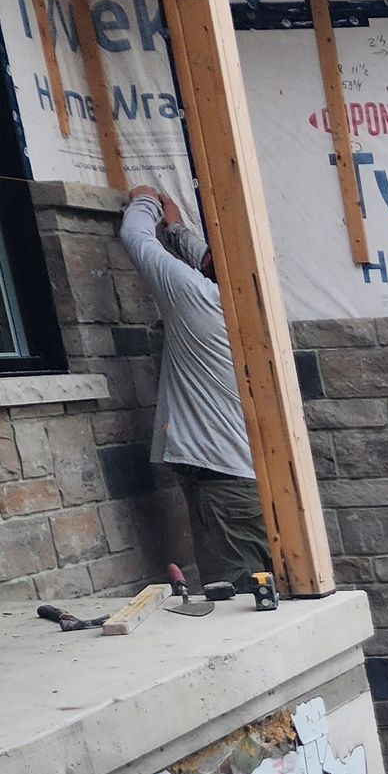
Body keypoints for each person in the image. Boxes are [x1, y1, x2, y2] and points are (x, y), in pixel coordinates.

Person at [119, 185, 270, 589]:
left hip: (224, 485)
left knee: (238, 599)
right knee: (274, 591)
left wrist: (146, 200)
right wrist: (178, 227)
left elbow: (135, 238)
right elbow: (210, 261)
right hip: (262, 482)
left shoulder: (198, 298)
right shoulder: (257, 307)